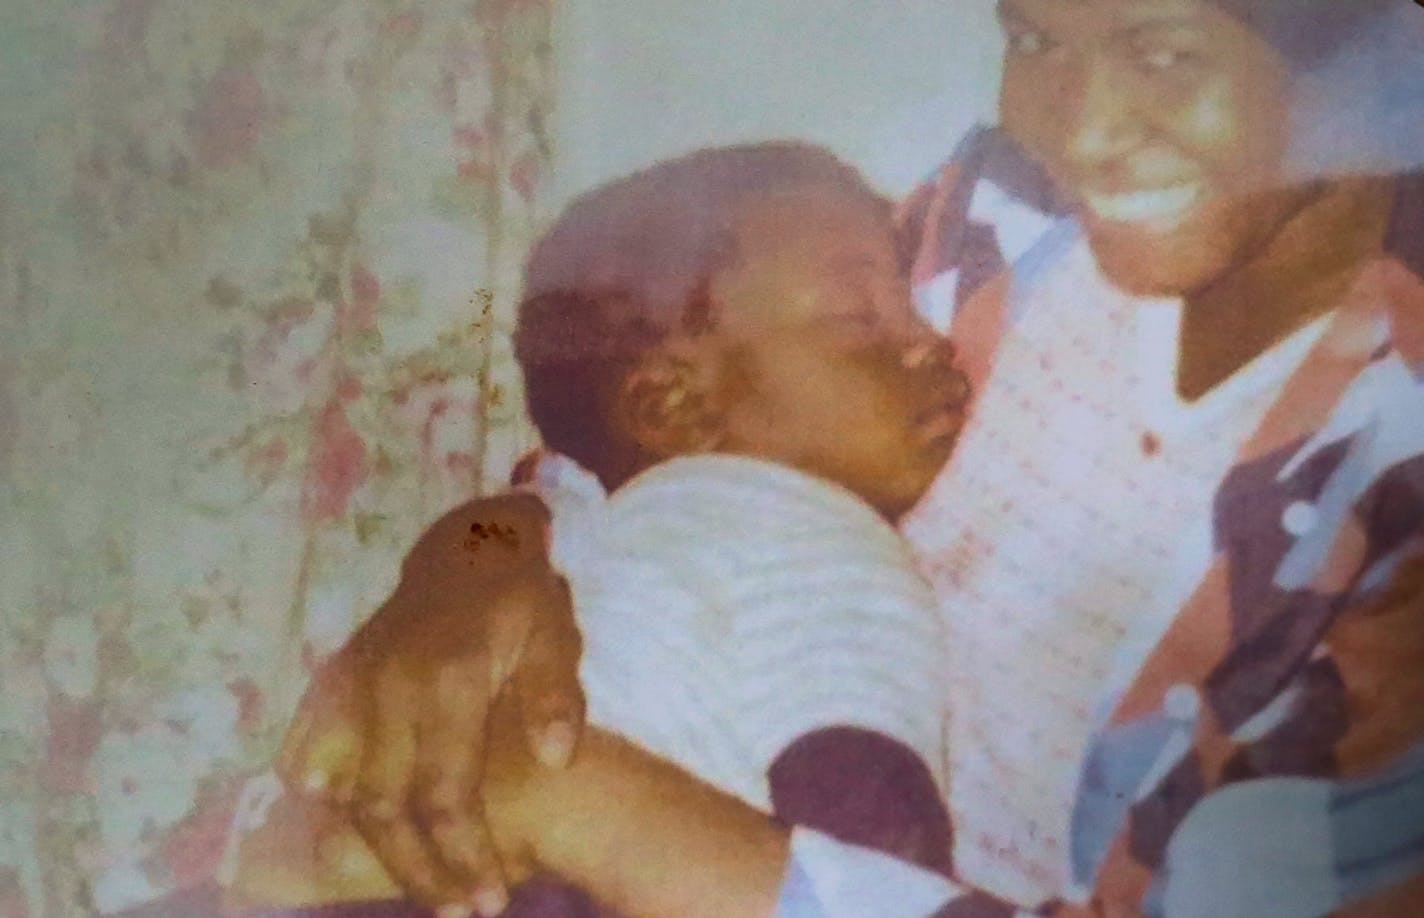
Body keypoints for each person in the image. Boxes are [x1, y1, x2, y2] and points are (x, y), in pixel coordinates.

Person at [278, 0, 1424, 915]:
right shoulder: (1004, 219)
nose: (1080, 126)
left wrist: (580, 805)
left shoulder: (1392, 485)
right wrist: (468, 565)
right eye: (1033, 39)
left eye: (1164, 51)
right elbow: (627, 449)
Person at [223, 143, 981, 916]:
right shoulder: (814, 535)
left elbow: (532, 494)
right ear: (672, 407)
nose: (930, 340)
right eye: (860, 317)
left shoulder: (596, 511)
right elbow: (866, 812)